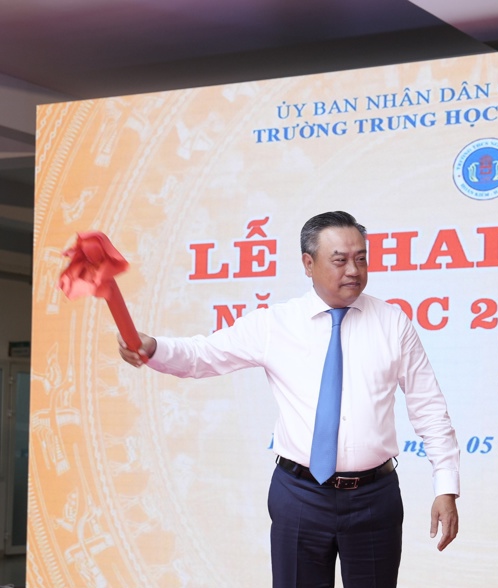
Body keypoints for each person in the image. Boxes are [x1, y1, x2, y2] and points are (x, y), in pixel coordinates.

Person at [119, 211, 460, 588]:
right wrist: (153, 348)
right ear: (308, 264)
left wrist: (446, 486)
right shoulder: (274, 324)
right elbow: (203, 356)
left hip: (374, 500)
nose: (354, 270)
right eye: (340, 260)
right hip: (299, 497)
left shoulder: (392, 323)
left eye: (361, 258)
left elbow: (428, 406)